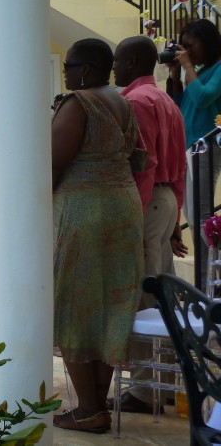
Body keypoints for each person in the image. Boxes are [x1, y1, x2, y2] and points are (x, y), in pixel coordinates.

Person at [51, 38, 143, 433]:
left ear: (85, 69)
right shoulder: (124, 102)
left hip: (85, 211)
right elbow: (138, 157)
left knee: (74, 301)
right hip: (123, 207)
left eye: (68, 65)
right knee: (110, 305)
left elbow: (50, 163)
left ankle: (88, 408)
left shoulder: (79, 103)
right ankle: (96, 405)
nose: (66, 72)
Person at [110, 35, 188, 414]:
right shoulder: (166, 100)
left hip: (147, 201)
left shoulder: (137, 101)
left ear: (135, 61)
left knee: (143, 296)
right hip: (166, 200)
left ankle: (143, 391)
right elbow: (180, 164)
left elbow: (145, 164)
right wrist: (175, 218)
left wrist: (132, 216)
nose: (115, 68)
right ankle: (167, 382)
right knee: (162, 297)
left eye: (119, 61)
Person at [166, 19, 221, 284]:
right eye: (183, 47)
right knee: (193, 215)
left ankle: (210, 280)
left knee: (201, 218)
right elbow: (181, 108)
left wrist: (188, 67)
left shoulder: (219, 69)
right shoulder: (198, 73)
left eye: (190, 46)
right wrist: (176, 76)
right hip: (190, 148)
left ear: (207, 41)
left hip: (206, 147)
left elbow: (203, 98)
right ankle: (205, 280)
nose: (187, 51)